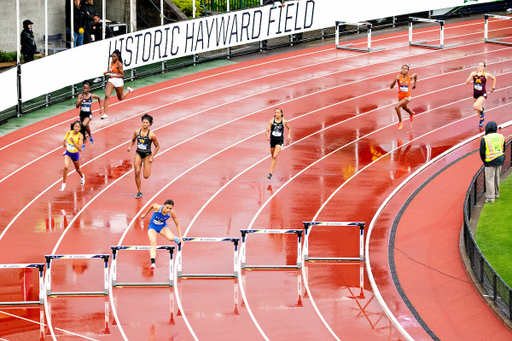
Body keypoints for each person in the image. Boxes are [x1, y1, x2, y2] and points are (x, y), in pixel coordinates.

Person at [140, 200, 184, 270]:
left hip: (162, 227)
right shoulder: (157, 207)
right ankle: (153, 263)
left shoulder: (172, 213)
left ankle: (175, 238)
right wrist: (145, 214)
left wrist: (180, 237)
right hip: (152, 227)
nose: (168, 210)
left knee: (170, 238)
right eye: (167, 208)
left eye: (170, 208)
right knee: (153, 243)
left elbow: (177, 224)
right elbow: (152, 205)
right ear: (164, 205)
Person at [127, 114, 160, 199]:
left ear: (149, 124)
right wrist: (130, 146)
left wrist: (152, 156)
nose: (144, 124)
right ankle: (139, 191)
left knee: (146, 176)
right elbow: (133, 140)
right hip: (138, 153)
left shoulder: (151, 135)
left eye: (146, 123)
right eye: (143, 122)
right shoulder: (137, 132)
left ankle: (147, 164)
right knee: (137, 172)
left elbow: (157, 146)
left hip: (147, 155)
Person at [102, 50, 134, 119]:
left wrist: (113, 76)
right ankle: (105, 114)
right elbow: (112, 70)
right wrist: (107, 72)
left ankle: (128, 90)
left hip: (118, 81)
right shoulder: (111, 62)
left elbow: (122, 75)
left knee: (120, 98)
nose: (112, 57)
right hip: (111, 80)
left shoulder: (119, 64)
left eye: (114, 56)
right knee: (107, 96)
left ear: (117, 57)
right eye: (112, 56)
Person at [479, 121, 505, 203]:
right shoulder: (501, 136)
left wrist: (485, 161)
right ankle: (496, 194)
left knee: (489, 179)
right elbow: (503, 148)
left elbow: (482, 152)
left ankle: (491, 198)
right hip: (500, 158)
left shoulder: (485, 138)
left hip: (490, 160)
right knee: (497, 177)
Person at [466, 62, 496, 127]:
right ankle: (481, 119)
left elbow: (494, 78)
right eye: (479, 65)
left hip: (483, 94)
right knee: (477, 108)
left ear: (484, 67)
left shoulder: (486, 74)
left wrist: (493, 87)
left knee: (476, 106)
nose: (479, 67)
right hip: (475, 93)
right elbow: (467, 82)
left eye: (481, 66)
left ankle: (482, 109)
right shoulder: (474, 73)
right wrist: (471, 76)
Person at [265, 108, 291, 179]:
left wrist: (289, 135)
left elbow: (289, 128)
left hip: (279, 141)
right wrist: (267, 135)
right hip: (272, 140)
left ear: (281, 113)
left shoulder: (284, 121)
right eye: (276, 112)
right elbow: (267, 130)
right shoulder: (271, 121)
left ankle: (270, 173)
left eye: (278, 112)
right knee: (273, 157)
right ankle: (273, 166)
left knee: (275, 156)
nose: (277, 114)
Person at [76, 80, 102, 149]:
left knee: (82, 127)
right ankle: (90, 136)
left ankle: (83, 143)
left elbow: (99, 98)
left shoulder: (92, 96)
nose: (85, 89)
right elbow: (77, 106)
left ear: (89, 89)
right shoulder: (80, 96)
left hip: (88, 115)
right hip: (82, 115)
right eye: (84, 88)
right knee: (87, 127)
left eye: (86, 88)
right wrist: (81, 100)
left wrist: (100, 108)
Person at [390, 65, 417, 130]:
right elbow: (391, 87)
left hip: (407, 97)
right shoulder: (398, 77)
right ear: (401, 70)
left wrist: (415, 84)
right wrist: (395, 81)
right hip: (400, 96)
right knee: (404, 108)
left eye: (405, 69)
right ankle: (411, 113)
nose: (404, 70)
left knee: (397, 106)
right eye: (403, 69)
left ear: (408, 71)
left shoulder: (410, 77)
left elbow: (415, 75)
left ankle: (400, 122)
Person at [60, 121, 85, 191]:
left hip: (75, 154)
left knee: (78, 169)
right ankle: (63, 184)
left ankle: (82, 177)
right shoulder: (69, 132)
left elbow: (80, 149)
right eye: (75, 126)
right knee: (65, 167)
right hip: (68, 153)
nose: (76, 128)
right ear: (73, 127)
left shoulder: (80, 136)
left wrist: (73, 142)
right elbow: (65, 138)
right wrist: (64, 142)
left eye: (78, 127)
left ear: (80, 128)